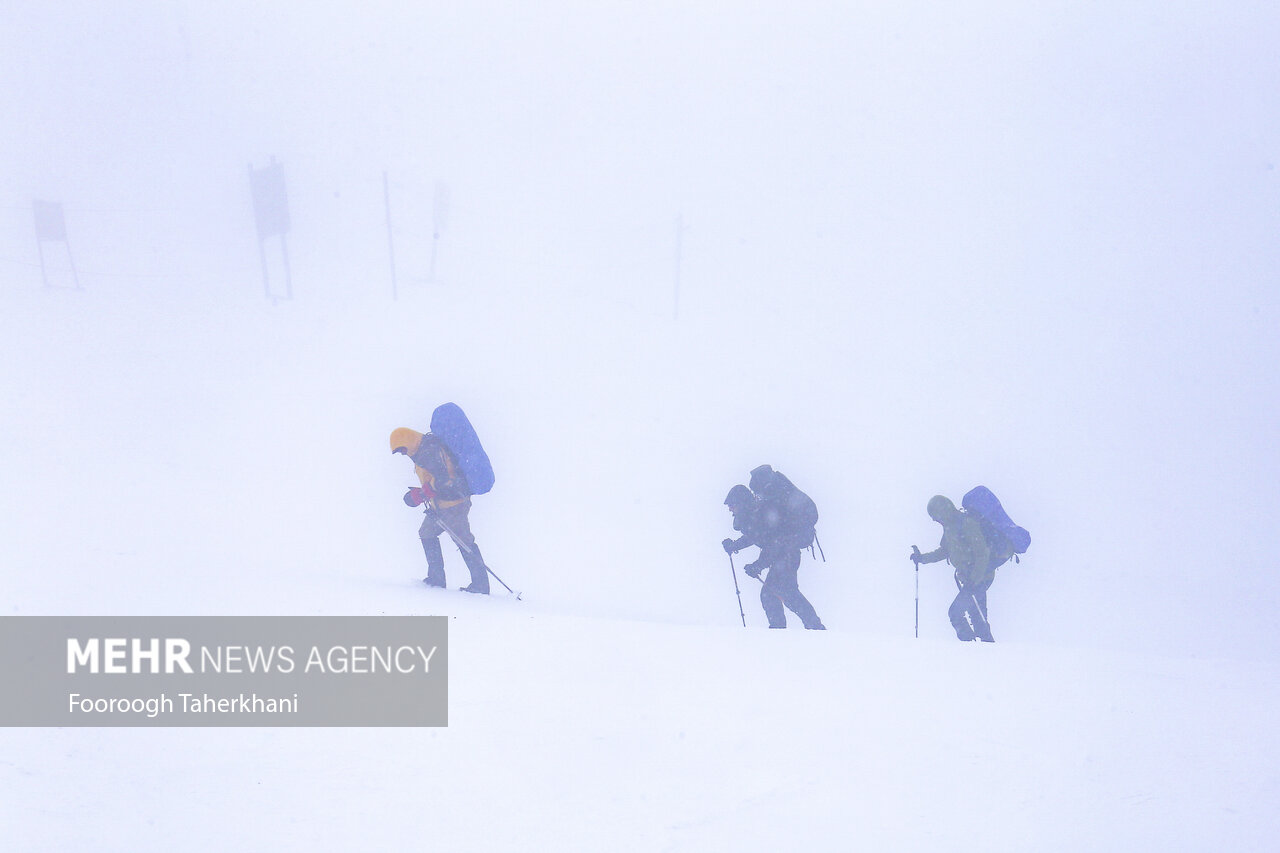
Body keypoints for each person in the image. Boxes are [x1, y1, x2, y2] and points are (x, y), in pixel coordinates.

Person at [390, 427, 490, 594]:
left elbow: (445, 478)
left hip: (454, 504)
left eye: (402, 449)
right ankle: (436, 579)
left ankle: (481, 585)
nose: (403, 453)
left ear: (408, 440)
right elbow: (433, 478)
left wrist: (423, 493)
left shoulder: (429, 451)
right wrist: (421, 492)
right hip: (440, 503)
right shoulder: (420, 452)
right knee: (426, 532)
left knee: (464, 541)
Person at [722, 478, 825, 630]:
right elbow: (755, 536)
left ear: (741, 503)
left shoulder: (759, 515)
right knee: (779, 592)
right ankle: (808, 627)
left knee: (778, 593)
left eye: (733, 505)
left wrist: (758, 565)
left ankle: (801, 629)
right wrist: (735, 546)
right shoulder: (754, 515)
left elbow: (773, 544)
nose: (730, 509)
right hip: (785, 555)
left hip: (787, 555)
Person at [911, 495, 994, 641]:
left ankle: (973, 651)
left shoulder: (967, 524)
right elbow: (944, 551)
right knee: (977, 617)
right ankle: (982, 653)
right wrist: (922, 558)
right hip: (970, 579)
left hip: (979, 578)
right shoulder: (950, 527)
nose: (935, 520)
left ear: (943, 511)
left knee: (956, 613)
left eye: (935, 516)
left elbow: (982, 554)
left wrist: (974, 580)